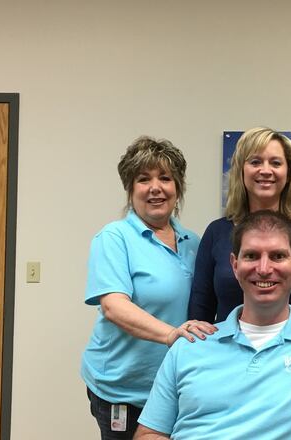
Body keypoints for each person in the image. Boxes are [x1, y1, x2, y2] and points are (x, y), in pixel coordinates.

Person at [134, 210, 291, 440]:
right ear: (234, 265)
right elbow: (148, 433)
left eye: (277, 256)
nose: (264, 269)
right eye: (251, 256)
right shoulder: (189, 345)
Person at [81, 136, 217, 440]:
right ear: (131, 190)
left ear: (178, 188)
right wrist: (170, 334)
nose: (155, 187)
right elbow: (114, 306)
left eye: (165, 178)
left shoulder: (193, 242)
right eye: (143, 179)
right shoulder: (114, 238)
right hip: (122, 389)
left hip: (175, 384)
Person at [188, 127, 291, 331]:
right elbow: (201, 308)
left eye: (276, 163)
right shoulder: (216, 233)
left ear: (288, 173)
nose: (266, 170)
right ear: (241, 171)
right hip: (231, 356)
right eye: (255, 162)